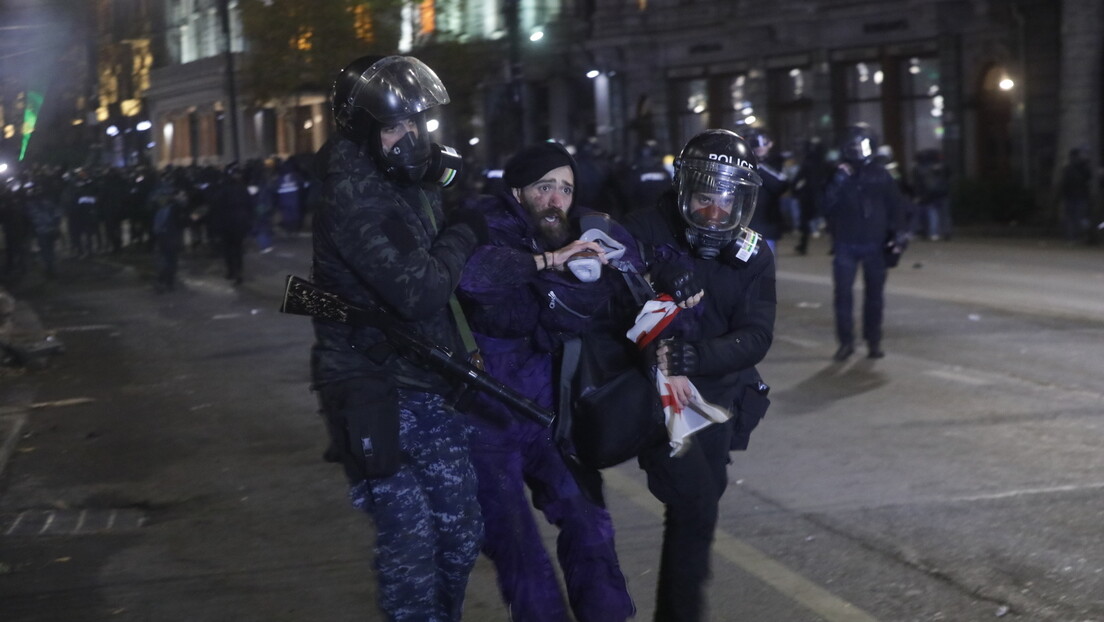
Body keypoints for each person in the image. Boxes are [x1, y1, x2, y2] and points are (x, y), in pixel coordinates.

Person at [309, 54, 488, 621]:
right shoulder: (356, 194)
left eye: (416, 122)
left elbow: (450, 187)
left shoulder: (403, 174)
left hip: (427, 380)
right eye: (394, 126)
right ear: (363, 131)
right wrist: (464, 232)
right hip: (375, 386)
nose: (410, 137)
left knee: (460, 534)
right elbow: (418, 291)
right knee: (412, 547)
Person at [455, 141, 639, 622]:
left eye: (566, 189)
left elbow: (640, 270)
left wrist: (674, 286)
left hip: (548, 416)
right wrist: (551, 266)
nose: (558, 199)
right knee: (517, 546)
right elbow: (474, 278)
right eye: (546, 187)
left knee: (588, 519)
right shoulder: (481, 223)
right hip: (485, 417)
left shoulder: (575, 231)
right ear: (518, 190)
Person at [622, 129, 776, 622]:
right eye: (705, 198)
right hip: (655, 399)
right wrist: (650, 272)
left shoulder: (753, 253)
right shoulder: (646, 230)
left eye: (726, 200)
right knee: (693, 504)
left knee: (702, 506)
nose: (715, 213)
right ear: (684, 190)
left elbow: (756, 334)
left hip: (717, 399)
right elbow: (599, 264)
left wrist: (699, 357)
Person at [822, 123, 907, 361]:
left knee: (875, 297)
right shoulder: (837, 174)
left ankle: (873, 340)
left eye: (863, 145)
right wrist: (839, 179)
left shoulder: (881, 174)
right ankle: (846, 342)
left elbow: (897, 206)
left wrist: (899, 235)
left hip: (875, 244)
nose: (858, 151)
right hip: (845, 243)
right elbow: (825, 206)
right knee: (843, 296)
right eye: (854, 146)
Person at [743, 127, 788, 255]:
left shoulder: (776, 162)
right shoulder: (742, 162)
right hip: (745, 224)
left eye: (764, 141)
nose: (760, 146)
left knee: (765, 264)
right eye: (755, 141)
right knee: (744, 264)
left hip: (767, 225)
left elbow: (781, 185)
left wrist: (757, 166)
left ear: (771, 143)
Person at [1059, 147, 1092, 244]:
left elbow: (1088, 178)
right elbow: (1065, 183)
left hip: (1078, 197)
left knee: (1078, 218)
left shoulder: (1080, 167)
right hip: (1073, 197)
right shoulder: (1070, 168)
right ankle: (1073, 237)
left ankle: (1078, 237)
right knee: (1074, 218)